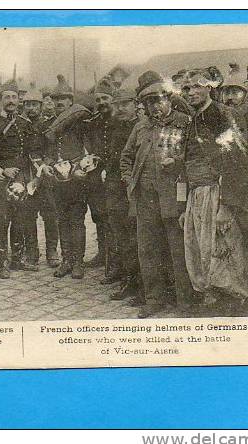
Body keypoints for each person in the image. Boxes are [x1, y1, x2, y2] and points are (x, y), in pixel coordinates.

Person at [180, 68, 248, 317]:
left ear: (209, 88)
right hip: (197, 194)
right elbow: (186, 163)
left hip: (218, 194)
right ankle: (216, 302)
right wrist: (184, 205)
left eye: (196, 86)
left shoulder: (219, 115)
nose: (191, 92)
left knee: (226, 253)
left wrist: (225, 206)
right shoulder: (194, 118)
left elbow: (233, 160)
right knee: (203, 253)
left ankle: (236, 310)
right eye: (186, 88)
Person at [120, 71, 197, 318]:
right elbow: (125, 158)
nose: (154, 105)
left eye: (158, 99)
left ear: (169, 98)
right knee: (149, 251)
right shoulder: (141, 126)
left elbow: (196, 157)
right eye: (148, 102)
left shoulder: (186, 123)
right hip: (145, 199)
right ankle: (154, 299)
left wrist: (178, 161)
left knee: (178, 251)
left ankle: (185, 302)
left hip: (175, 197)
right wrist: (130, 180)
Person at [0, 80, 42, 278]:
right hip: (2, 179)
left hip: (22, 178)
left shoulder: (25, 124)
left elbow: (32, 151)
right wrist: (2, 170)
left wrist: (34, 174)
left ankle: (18, 259)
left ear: (19, 100)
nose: (11, 101)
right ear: (0, 100)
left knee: (20, 219)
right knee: (0, 220)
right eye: (6, 97)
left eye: (14, 97)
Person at [41, 75, 91, 279]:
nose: (59, 102)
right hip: (57, 180)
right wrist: (48, 165)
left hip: (77, 179)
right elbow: (48, 152)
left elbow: (90, 150)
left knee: (77, 220)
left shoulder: (80, 122)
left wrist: (81, 168)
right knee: (61, 220)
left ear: (71, 101)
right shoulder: (51, 125)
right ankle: (66, 260)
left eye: (63, 99)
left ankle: (78, 262)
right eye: (56, 99)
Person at [103, 88, 141, 302]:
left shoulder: (140, 126)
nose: (121, 108)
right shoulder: (115, 126)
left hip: (133, 187)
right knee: (119, 233)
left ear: (135, 104)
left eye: (125, 104)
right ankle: (126, 279)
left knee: (134, 235)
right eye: (117, 104)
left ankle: (137, 283)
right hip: (114, 186)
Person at [21, 89, 60, 268]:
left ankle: (52, 250)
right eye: (28, 104)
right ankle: (32, 251)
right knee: (28, 216)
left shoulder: (48, 125)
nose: (31, 108)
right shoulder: (20, 124)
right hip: (26, 177)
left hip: (46, 178)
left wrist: (45, 166)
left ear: (41, 106)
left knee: (50, 215)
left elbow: (52, 150)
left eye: (35, 104)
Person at [82, 82, 117, 269]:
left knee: (114, 217)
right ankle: (102, 253)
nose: (102, 102)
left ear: (112, 99)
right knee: (98, 215)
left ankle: (114, 259)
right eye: (98, 100)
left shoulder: (120, 120)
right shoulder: (93, 123)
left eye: (105, 98)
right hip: (95, 177)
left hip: (114, 176)